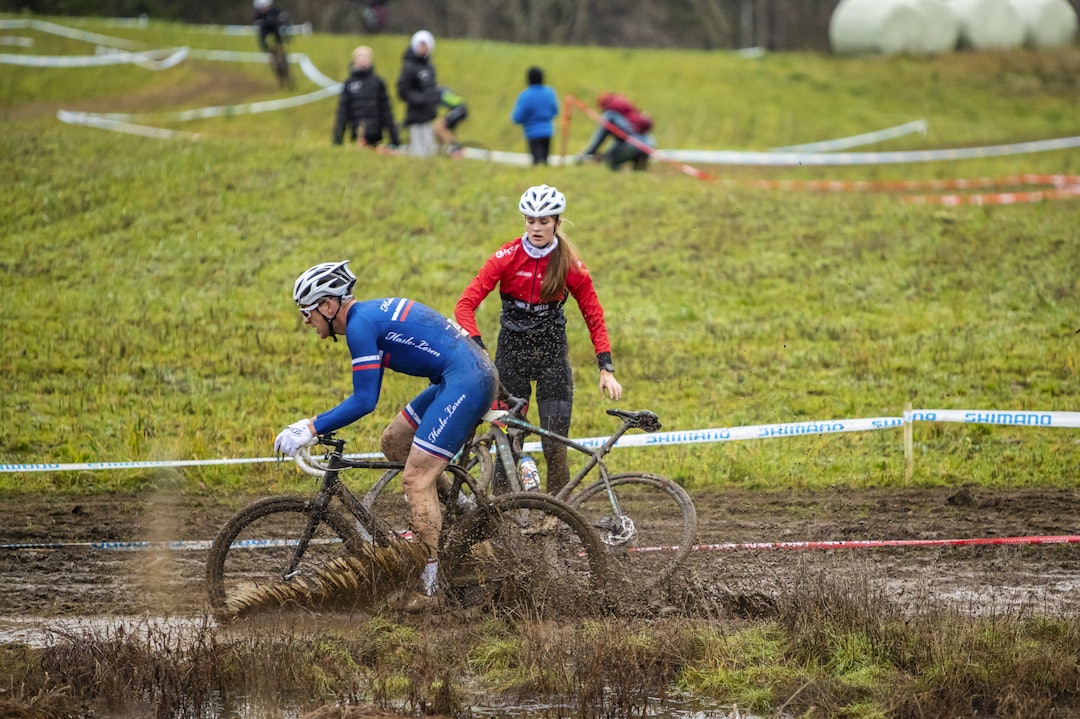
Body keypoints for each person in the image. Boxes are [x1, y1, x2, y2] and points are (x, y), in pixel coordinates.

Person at [273, 261, 498, 608]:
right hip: (463, 374)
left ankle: (430, 588)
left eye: (308, 311)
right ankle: (463, 514)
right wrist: (317, 426)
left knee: (416, 480)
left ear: (330, 306)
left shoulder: (360, 327)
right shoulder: (365, 319)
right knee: (394, 441)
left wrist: (311, 427)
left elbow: (364, 400)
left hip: (467, 380)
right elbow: (369, 396)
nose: (306, 320)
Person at [454, 185, 623, 496]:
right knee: (507, 443)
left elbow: (593, 313)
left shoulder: (570, 265)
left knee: (555, 447)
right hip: (511, 358)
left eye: (544, 221)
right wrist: (478, 349)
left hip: (551, 358)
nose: (536, 228)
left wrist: (605, 366)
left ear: (557, 222)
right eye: (530, 220)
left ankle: (558, 520)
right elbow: (465, 305)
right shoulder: (506, 257)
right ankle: (503, 518)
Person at [332, 46, 400, 149]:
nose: (362, 59)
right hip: (357, 135)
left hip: (376, 134)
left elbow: (386, 110)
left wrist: (394, 138)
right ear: (354, 60)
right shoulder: (349, 83)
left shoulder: (377, 82)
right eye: (360, 56)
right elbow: (342, 111)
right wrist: (337, 137)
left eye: (365, 56)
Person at [578, 91, 655, 171]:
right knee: (639, 173)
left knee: (608, 162)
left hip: (633, 146)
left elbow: (600, 137)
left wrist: (587, 153)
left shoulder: (610, 115)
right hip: (649, 144)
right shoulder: (629, 111)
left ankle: (621, 174)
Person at [396, 30, 442, 157]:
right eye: (421, 45)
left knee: (429, 150)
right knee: (418, 152)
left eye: (426, 45)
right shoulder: (409, 67)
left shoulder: (429, 67)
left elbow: (431, 88)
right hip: (416, 115)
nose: (423, 48)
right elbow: (403, 91)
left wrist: (433, 99)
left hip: (429, 114)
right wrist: (421, 99)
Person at [511, 66, 559, 165]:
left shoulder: (525, 95)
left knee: (536, 162)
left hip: (532, 133)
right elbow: (555, 111)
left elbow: (517, 117)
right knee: (545, 161)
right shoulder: (549, 92)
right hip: (548, 132)